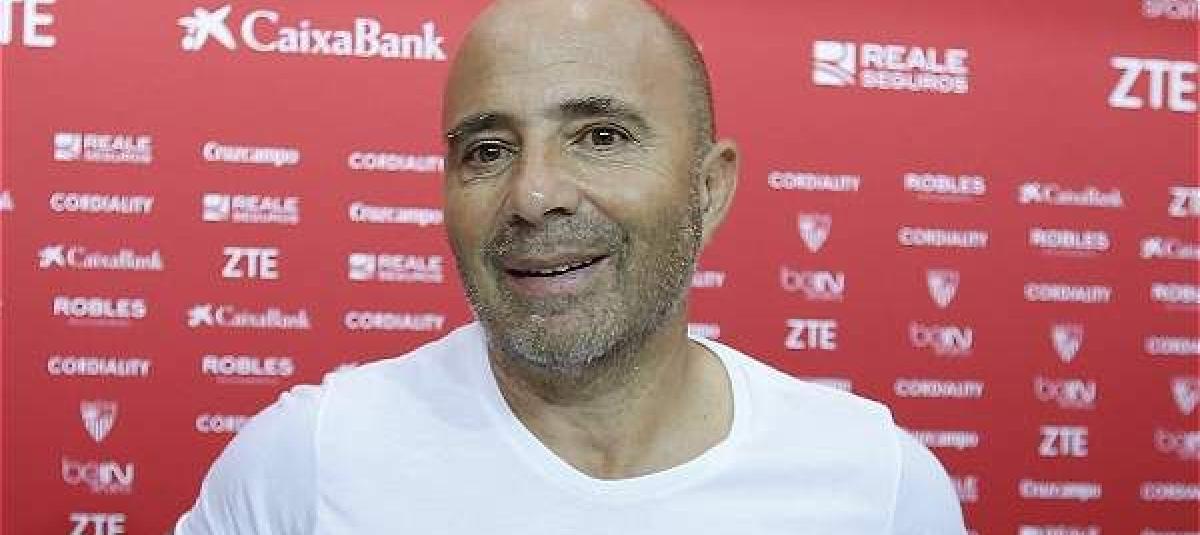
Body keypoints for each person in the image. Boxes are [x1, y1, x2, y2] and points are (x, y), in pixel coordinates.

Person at [174, 0, 967, 533]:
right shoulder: (304, 462)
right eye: (488, 150)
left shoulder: (878, 485)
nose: (534, 194)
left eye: (600, 137)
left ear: (708, 188)